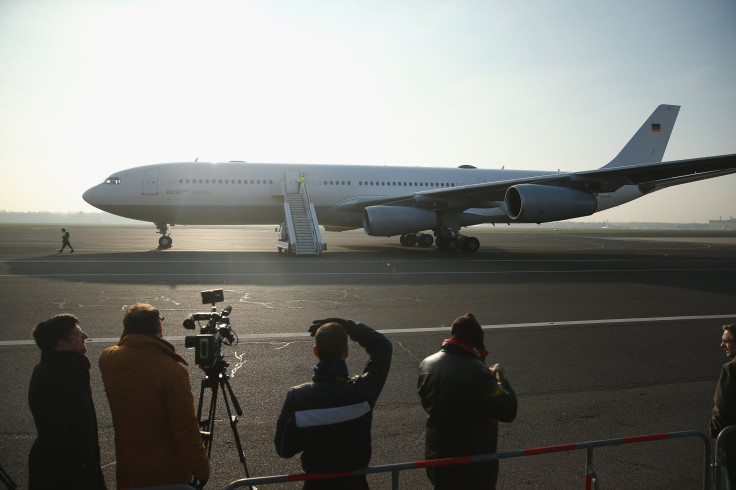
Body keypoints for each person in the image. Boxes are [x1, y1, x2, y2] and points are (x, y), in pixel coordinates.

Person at [98, 303, 210, 489]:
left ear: (126, 330)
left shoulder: (109, 359)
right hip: (166, 473)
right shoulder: (171, 371)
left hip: (129, 470)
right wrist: (202, 467)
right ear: (159, 327)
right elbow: (185, 428)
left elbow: (121, 345)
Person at [275, 318, 393, 489]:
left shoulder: (298, 398)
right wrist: (349, 326)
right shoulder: (361, 392)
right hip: (355, 484)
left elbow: (284, 449)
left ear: (315, 351)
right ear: (346, 352)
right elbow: (383, 347)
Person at [417, 313, 517, 490]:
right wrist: (500, 378)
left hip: (438, 463)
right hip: (472, 470)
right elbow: (508, 410)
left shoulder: (426, 364)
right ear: (476, 341)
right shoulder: (478, 372)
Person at [28, 314, 106, 489]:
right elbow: (55, 436)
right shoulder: (54, 379)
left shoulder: (65, 369)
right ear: (62, 345)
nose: (85, 336)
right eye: (78, 334)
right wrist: (84, 463)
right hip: (66, 474)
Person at [711, 323, 736, 485]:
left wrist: (717, 434)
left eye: (726, 341)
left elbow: (722, 409)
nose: (722, 345)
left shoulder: (730, 370)